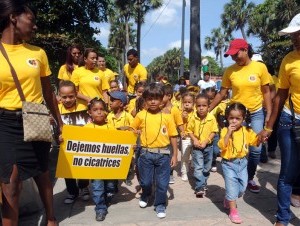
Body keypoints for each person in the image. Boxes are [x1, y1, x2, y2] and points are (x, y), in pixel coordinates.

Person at [0, 1, 63, 225]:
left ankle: (51, 217)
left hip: (35, 118)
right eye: (32, 21)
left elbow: (48, 92)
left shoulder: (39, 53)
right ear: (13, 18)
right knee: (10, 183)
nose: (35, 27)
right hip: (5, 123)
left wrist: (60, 124)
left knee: (43, 172)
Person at [209, 38, 272, 193]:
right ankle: (234, 174)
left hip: (256, 113)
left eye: (236, 54)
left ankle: (249, 177)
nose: (234, 58)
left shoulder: (260, 68)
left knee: (256, 148)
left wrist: (269, 112)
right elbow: (222, 93)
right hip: (236, 114)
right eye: (231, 55)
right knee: (233, 144)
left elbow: (266, 91)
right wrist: (209, 109)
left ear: (245, 50)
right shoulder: (230, 71)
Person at [258, 13, 300, 226]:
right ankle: (282, 219)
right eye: (292, 35)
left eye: (297, 34)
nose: (293, 38)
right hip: (290, 120)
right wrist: (268, 127)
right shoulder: (288, 60)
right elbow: (281, 96)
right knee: (286, 174)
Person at [130, 83, 178, 219]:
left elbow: (173, 136)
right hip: (145, 154)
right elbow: (131, 131)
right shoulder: (140, 115)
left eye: (156, 98)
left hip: (163, 155)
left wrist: (175, 154)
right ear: (145, 99)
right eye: (150, 98)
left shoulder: (167, 117)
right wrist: (134, 136)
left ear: (162, 99)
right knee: (145, 182)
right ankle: (145, 193)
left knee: (163, 183)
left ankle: (160, 204)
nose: (153, 101)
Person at [219, 103, 259, 224]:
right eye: (231, 118)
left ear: (243, 119)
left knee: (241, 189)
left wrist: (262, 137)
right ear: (227, 118)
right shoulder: (225, 130)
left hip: (242, 164)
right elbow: (222, 145)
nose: (234, 121)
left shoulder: (247, 130)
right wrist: (228, 134)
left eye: (238, 118)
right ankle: (233, 211)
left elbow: (255, 141)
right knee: (232, 189)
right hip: (229, 164)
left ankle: (228, 197)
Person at [57, 81, 90, 204]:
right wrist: (57, 137)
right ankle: (72, 192)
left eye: (71, 96)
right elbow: (53, 129)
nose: (67, 99)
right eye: (64, 97)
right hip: (65, 148)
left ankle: (84, 187)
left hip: (82, 146)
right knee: (68, 171)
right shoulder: (56, 111)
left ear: (76, 94)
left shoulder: (84, 109)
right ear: (59, 96)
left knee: (83, 167)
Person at [84, 98, 114, 221]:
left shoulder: (111, 127)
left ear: (106, 111)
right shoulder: (86, 128)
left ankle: (108, 196)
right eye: (95, 110)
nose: (99, 112)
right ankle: (100, 209)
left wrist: (129, 145)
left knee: (111, 186)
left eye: (102, 109)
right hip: (95, 165)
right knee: (97, 187)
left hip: (110, 164)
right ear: (90, 112)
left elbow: (119, 144)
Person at [187, 94, 218, 197]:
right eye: (199, 105)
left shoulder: (211, 118)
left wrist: (207, 140)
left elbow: (214, 131)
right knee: (198, 167)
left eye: (204, 105)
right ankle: (199, 187)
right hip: (197, 148)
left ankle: (203, 182)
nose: (201, 108)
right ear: (195, 106)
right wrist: (195, 140)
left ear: (208, 106)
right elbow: (189, 130)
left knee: (207, 167)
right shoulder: (193, 117)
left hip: (208, 147)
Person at [161, 84, 184, 184]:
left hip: (171, 137)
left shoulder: (174, 110)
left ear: (169, 96)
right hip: (161, 137)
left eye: (161, 96)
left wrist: (182, 131)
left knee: (170, 155)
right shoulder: (158, 108)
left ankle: (170, 173)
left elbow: (179, 123)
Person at [180, 92, 195, 181]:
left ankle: (193, 168)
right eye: (185, 102)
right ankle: (184, 172)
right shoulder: (181, 113)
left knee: (195, 155)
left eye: (189, 102)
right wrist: (182, 116)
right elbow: (178, 124)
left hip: (194, 137)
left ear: (193, 103)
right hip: (185, 137)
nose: (187, 104)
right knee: (185, 156)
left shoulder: (196, 113)